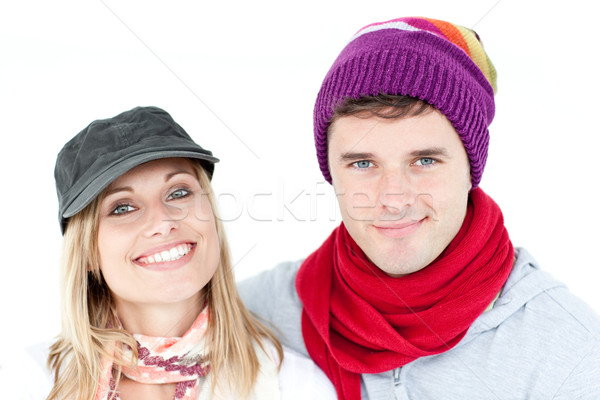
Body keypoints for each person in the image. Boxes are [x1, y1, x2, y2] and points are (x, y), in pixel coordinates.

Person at [239, 16, 600, 399]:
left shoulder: (568, 353)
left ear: (471, 167)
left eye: (424, 161)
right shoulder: (261, 311)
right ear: (331, 171)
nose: (394, 199)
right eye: (363, 164)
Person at [0, 106, 335, 399]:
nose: (162, 221)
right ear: (87, 252)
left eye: (178, 192)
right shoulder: (31, 383)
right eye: (122, 207)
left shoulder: (292, 385)